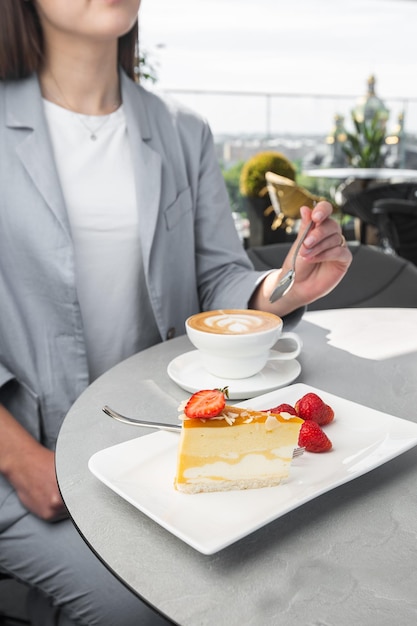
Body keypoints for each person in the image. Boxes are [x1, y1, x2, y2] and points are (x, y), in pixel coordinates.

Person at [0, 1, 352, 624]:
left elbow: (219, 278)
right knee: (151, 607)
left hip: (159, 444)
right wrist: (20, 457)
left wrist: (290, 284)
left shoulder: (182, 131)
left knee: (289, 574)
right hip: (30, 463)